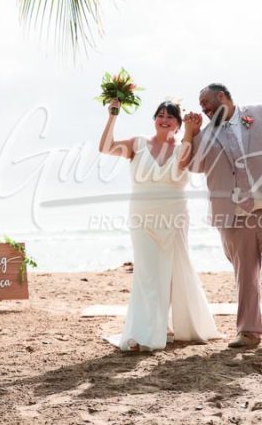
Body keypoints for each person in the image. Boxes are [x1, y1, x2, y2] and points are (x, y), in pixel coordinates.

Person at [183, 84, 262, 348]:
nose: (204, 109)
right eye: (201, 106)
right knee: (244, 275)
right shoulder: (205, 135)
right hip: (234, 216)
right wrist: (190, 133)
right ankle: (248, 331)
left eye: (206, 102)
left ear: (222, 97)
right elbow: (193, 165)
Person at [99, 98, 220, 351]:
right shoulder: (137, 144)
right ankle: (146, 332)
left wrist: (189, 133)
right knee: (147, 272)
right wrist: (113, 114)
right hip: (142, 215)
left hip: (174, 214)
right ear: (154, 119)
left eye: (170, 117)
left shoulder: (184, 146)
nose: (164, 120)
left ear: (177, 124)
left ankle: (170, 324)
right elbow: (105, 147)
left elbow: (180, 168)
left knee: (176, 269)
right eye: (160, 115)